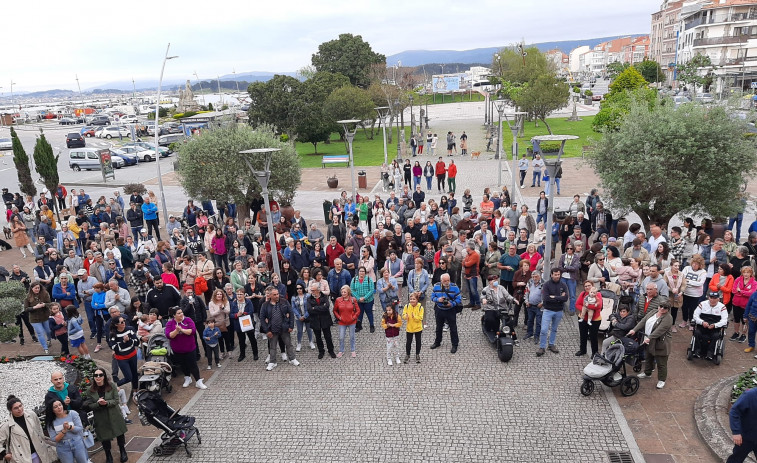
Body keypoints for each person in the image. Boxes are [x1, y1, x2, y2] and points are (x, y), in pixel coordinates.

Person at [82, 369, 129, 463]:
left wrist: (106, 403)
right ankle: (108, 454)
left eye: (100, 375)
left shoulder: (111, 386)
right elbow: (89, 405)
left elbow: (116, 400)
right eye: (96, 375)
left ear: (104, 376)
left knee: (119, 433)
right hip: (100, 416)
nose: (98, 377)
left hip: (114, 414)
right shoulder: (90, 390)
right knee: (104, 436)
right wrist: (98, 404)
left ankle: (122, 450)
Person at [629, 304, 673, 390]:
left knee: (661, 363)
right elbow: (643, 321)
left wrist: (649, 338)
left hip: (661, 343)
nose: (662, 309)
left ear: (668, 309)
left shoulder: (668, 318)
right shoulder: (653, 312)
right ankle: (647, 372)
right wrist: (634, 329)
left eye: (665, 307)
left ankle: (662, 380)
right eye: (661, 306)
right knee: (648, 357)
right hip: (649, 340)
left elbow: (659, 330)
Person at [0, 395, 52, 463]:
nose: (19, 409)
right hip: (21, 457)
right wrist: (4, 454)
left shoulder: (31, 415)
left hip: (39, 451)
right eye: (16, 408)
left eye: (20, 406)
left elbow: (39, 429)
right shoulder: (6, 426)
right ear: (10, 410)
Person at [165, 307, 207, 389]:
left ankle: (198, 381)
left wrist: (182, 330)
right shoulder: (170, 323)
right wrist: (176, 331)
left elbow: (192, 331)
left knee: (193, 365)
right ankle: (187, 378)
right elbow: (169, 335)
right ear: (174, 315)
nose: (181, 314)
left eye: (181, 312)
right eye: (179, 313)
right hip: (178, 349)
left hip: (190, 348)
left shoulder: (188, 320)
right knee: (183, 365)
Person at [260, 287, 300, 371]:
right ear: (270, 295)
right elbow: (262, 318)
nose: (277, 296)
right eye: (274, 294)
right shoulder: (265, 305)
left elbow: (291, 313)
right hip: (272, 329)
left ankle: (292, 359)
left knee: (289, 344)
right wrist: (267, 330)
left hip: (284, 328)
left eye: (277, 294)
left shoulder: (284, 302)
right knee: (272, 346)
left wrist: (291, 326)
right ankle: (272, 362)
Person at [45, 399, 89, 463]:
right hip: (62, 447)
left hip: (77, 442)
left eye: (60, 405)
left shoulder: (72, 413)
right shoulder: (50, 422)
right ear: (52, 410)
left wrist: (70, 427)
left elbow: (80, 428)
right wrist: (64, 430)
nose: (59, 407)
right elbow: (54, 439)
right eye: (55, 407)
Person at [537, 269, 568, 357]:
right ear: (551, 275)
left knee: (554, 329)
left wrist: (554, 297)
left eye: (558, 274)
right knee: (544, 330)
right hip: (548, 310)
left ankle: (551, 344)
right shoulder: (546, 285)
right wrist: (559, 298)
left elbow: (565, 298)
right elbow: (546, 298)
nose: (557, 276)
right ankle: (542, 347)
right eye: (555, 274)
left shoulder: (563, 285)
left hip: (559, 310)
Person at [430, 273, 462, 353]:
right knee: (438, 327)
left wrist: (452, 304)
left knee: (453, 328)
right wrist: (438, 300)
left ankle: (455, 344)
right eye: (445, 281)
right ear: (441, 281)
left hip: (450, 310)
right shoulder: (436, 286)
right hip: (439, 309)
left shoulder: (454, 287)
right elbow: (432, 297)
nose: (447, 282)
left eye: (448, 280)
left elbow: (459, 299)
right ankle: (437, 342)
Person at [692, 291, 729, 359]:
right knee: (696, 333)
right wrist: (702, 322)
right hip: (702, 326)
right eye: (711, 298)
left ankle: (710, 353)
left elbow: (724, 320)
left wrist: (715, 325)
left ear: (718, 299)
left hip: (714, 328)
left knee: (716, 336)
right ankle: (697, 351)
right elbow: (695, 315)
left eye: (714, 298)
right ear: (708, 298)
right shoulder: (702, 304)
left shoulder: (722, 307)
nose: (712, 300)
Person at [728, 387, 757, 462]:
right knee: (736, 459)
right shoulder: (750, 395)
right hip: (745, 437)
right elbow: (734, 412)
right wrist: (736, 432)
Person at [307, 283, 336, 359]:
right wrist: (320, 308)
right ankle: (321, 351)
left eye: (314, 290)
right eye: (311, 290)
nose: (312, 292)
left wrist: (315, 308)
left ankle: (331, 350)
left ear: (318, 290)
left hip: (325, 320)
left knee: (328, 337)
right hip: (315, 321)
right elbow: (310, 310)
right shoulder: (309, 299)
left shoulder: (324, 297)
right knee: (318, 337)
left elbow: (326, 307)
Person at [575, 281, 603, 357]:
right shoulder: (582, 294)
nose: (587, 287)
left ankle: (595, 352)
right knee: (583, 335)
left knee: (593, 336)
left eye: (589, 285)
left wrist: (586, 308)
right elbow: (577, 304)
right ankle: (583, 350)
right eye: (586, 286)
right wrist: (584, 309)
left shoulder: (598, 294)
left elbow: (599, 306)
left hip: (595, 319)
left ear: (592, 286)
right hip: (583, 318)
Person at [229, 288, 258, 362]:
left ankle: (255, 353)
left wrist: (244, 313)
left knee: (252, 339)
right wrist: (236, 315)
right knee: (241, 340)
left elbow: (251, 311)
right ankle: (242, 354)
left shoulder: (248, 302)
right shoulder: (234, 303)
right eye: (238, 294)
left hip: (247, 323)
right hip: (238, 324)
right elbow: (231, 315)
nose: (239, 296)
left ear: (244, 295)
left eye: (241, 294)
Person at [25, 282, 52, 354]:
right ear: (32, 288)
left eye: (38, 288)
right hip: (34, 319)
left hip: (45, 316)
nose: (37, 289)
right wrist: (34, 307)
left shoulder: (45, 294)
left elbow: (50, 304)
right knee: (40, 333)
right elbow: (26, 309)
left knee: (48, 331)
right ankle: (45, 348)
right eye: (35, 288)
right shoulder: (28, 297)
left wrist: (44, 304)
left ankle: (49, 339)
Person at [731, 266, 756, 343]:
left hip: (746, 305)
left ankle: (743, 335)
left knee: (744, 321)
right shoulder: (738, 280)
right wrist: (745, 292)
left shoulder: (754, 283)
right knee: (736, 319)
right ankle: (736, 332)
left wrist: (740, 291)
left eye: (748, 272)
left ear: (751, 273)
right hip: (736, 303)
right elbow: (734, 290)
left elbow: (752, 294)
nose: (746, 274)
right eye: (744, 272)